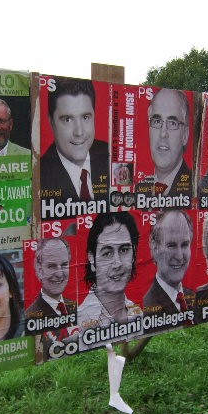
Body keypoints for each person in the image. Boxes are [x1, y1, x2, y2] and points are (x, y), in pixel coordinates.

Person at [77, 212, 143, 350]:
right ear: (92, 258)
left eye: (124, 250)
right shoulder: (80, 322)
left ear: (134, 253)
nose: (117, 263)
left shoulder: (137, 313)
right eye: (107, 253)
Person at [40, 78, 109, 206]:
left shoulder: (110, 156)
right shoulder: (40, 176)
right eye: (67, 119)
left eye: (85, 117)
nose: (79, 132)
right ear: (51, 122)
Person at [26, 238, 78, 357]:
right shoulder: (30, 316)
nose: (60, 274)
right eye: (52, 266)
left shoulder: (76, 306)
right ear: (39, 271)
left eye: (64, 265)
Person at [137, 88, 192, 198]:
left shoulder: (195, 188)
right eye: (157, 121)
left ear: (185, 135)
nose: (163, 133)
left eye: (172, 123)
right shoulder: (139, 189)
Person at [144, 210, 195, 314]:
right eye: (171, 246)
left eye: (185, 244)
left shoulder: (194, 297)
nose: (179, 256)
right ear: (155, 248)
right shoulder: (147, 307)